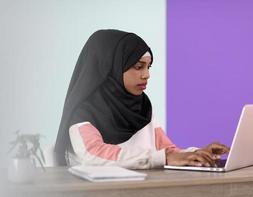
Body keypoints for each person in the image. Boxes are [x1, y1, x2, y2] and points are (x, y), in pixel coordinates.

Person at [54, 29, 229, 168]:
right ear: (110, 67)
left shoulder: (142, 106)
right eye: (138, 67)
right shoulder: (83, 112)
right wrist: (163, 158)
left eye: (148, 66)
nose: (146, 75)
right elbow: (92, 154)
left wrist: (198, 154)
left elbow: (165, 151)